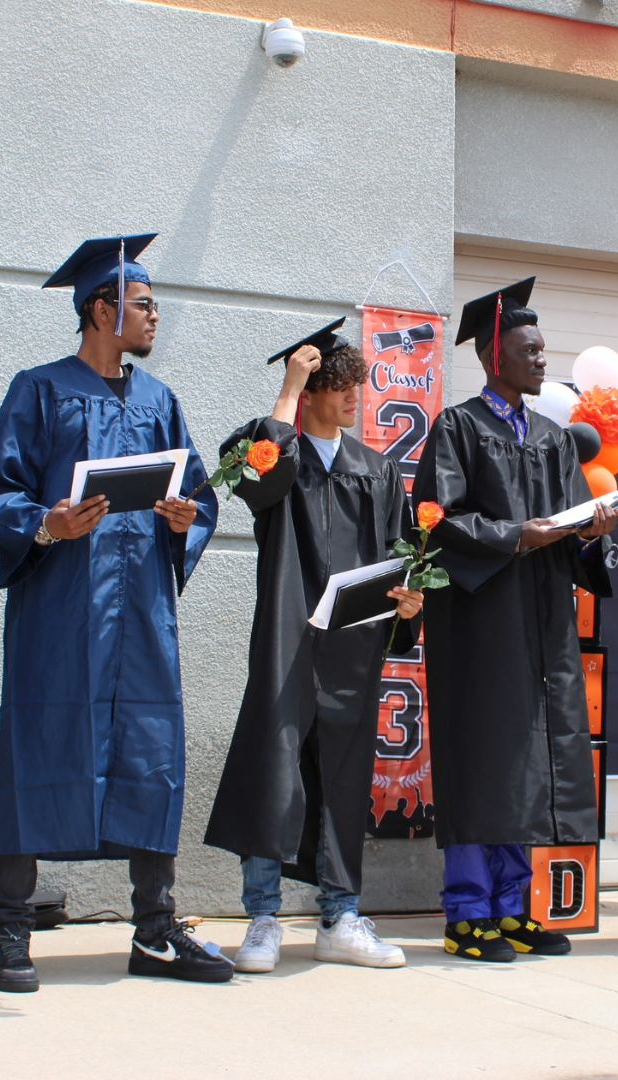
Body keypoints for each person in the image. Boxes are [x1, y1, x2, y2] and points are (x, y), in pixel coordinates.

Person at [0, 232, 228, 991]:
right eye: (145, 306)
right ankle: (8, 931)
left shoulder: (159, 400)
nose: (155, 318)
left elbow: (199, 492)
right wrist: (46, 523)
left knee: (151, 752)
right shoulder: (39, 389)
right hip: (63, 609)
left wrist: (185, 519)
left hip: (143, 608)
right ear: (101, 310)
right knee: (39, 745)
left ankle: (154, 932)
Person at [204, 319, 424, 972]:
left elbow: (401, 556)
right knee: (272, 771)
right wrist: (287, 389)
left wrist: (411, 602)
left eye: (357, 382)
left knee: (346, 779)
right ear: (312, 391)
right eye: (338, 384)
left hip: (353, 648)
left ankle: (341, 917)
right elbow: (253, 482)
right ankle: (263, 919)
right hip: (287, 639)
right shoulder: (277, 449)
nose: (354, 395)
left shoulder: (377, 471)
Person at [411, 277, 618, 962]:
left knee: (530, 763)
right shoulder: (457, 428)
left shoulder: (555, 438)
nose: (540, 360)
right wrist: (513, 537)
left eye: (543, 349)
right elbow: (436, 520)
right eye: (528, 349)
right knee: (483, 759)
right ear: (492, 355)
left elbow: (561, 526)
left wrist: (589, 529)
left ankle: (511, 907)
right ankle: (466, 912)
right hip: (480, 624)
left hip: (542, 622)